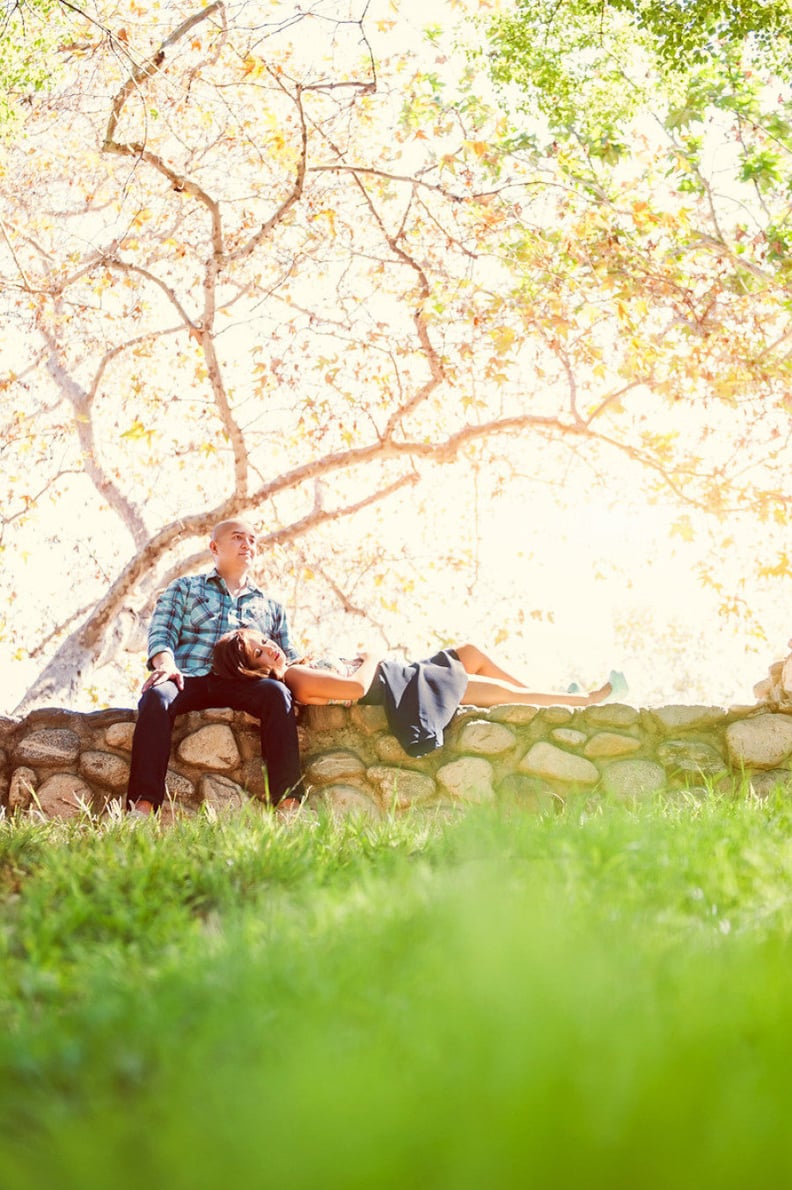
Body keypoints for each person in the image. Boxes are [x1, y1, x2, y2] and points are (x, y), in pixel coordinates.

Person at [212, 628, 624, 758]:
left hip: (404, 676)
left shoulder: (299, 663)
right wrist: (372, 655)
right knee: (488, 690)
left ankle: (547, 692)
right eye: (258, 652)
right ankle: (586, 700)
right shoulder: (296, 679)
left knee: (472, 652)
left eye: (263, 640)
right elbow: (356, 687)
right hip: (399, 689)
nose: (270, 647)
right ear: (253, 669)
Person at [126, 519, 304, 817]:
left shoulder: (270, 606)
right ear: (214, 547)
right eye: (238, 538)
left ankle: (289, 809)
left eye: (252, 539)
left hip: (245, 683)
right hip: (188, 676)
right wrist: (166, 665)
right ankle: (142, 809)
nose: (247, 544)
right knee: (156, 697)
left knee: (277, 693)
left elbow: (290, 657)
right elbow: (161, 634)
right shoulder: (184, 588)